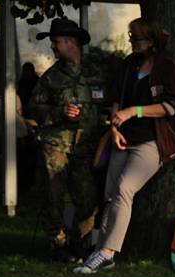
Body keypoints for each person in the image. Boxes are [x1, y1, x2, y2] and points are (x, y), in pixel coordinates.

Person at [74, 17, 175, 274]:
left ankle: (106, 251)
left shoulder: (169, 65)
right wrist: (113, 128)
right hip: (123, 137)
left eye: (136, 38)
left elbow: (170, 107)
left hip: (152, 140)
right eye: (131, 36)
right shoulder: (128, 64)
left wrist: (133, 112)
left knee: (125, 189)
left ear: (152, 40)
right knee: (110, 193)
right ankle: (102, 251)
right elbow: (115, 100)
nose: (132, 41)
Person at [29, 18, 108, 261]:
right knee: (52, 197)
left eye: (56, 42)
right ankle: (58, 245)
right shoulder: (51, 78)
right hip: (57, 146)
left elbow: (108, 103)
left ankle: (79, 243)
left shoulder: (96, 72)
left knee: (87, 198)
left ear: (71, 42)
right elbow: (34, 109)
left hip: (87, 147)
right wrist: (59, 113)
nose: (53, 46)